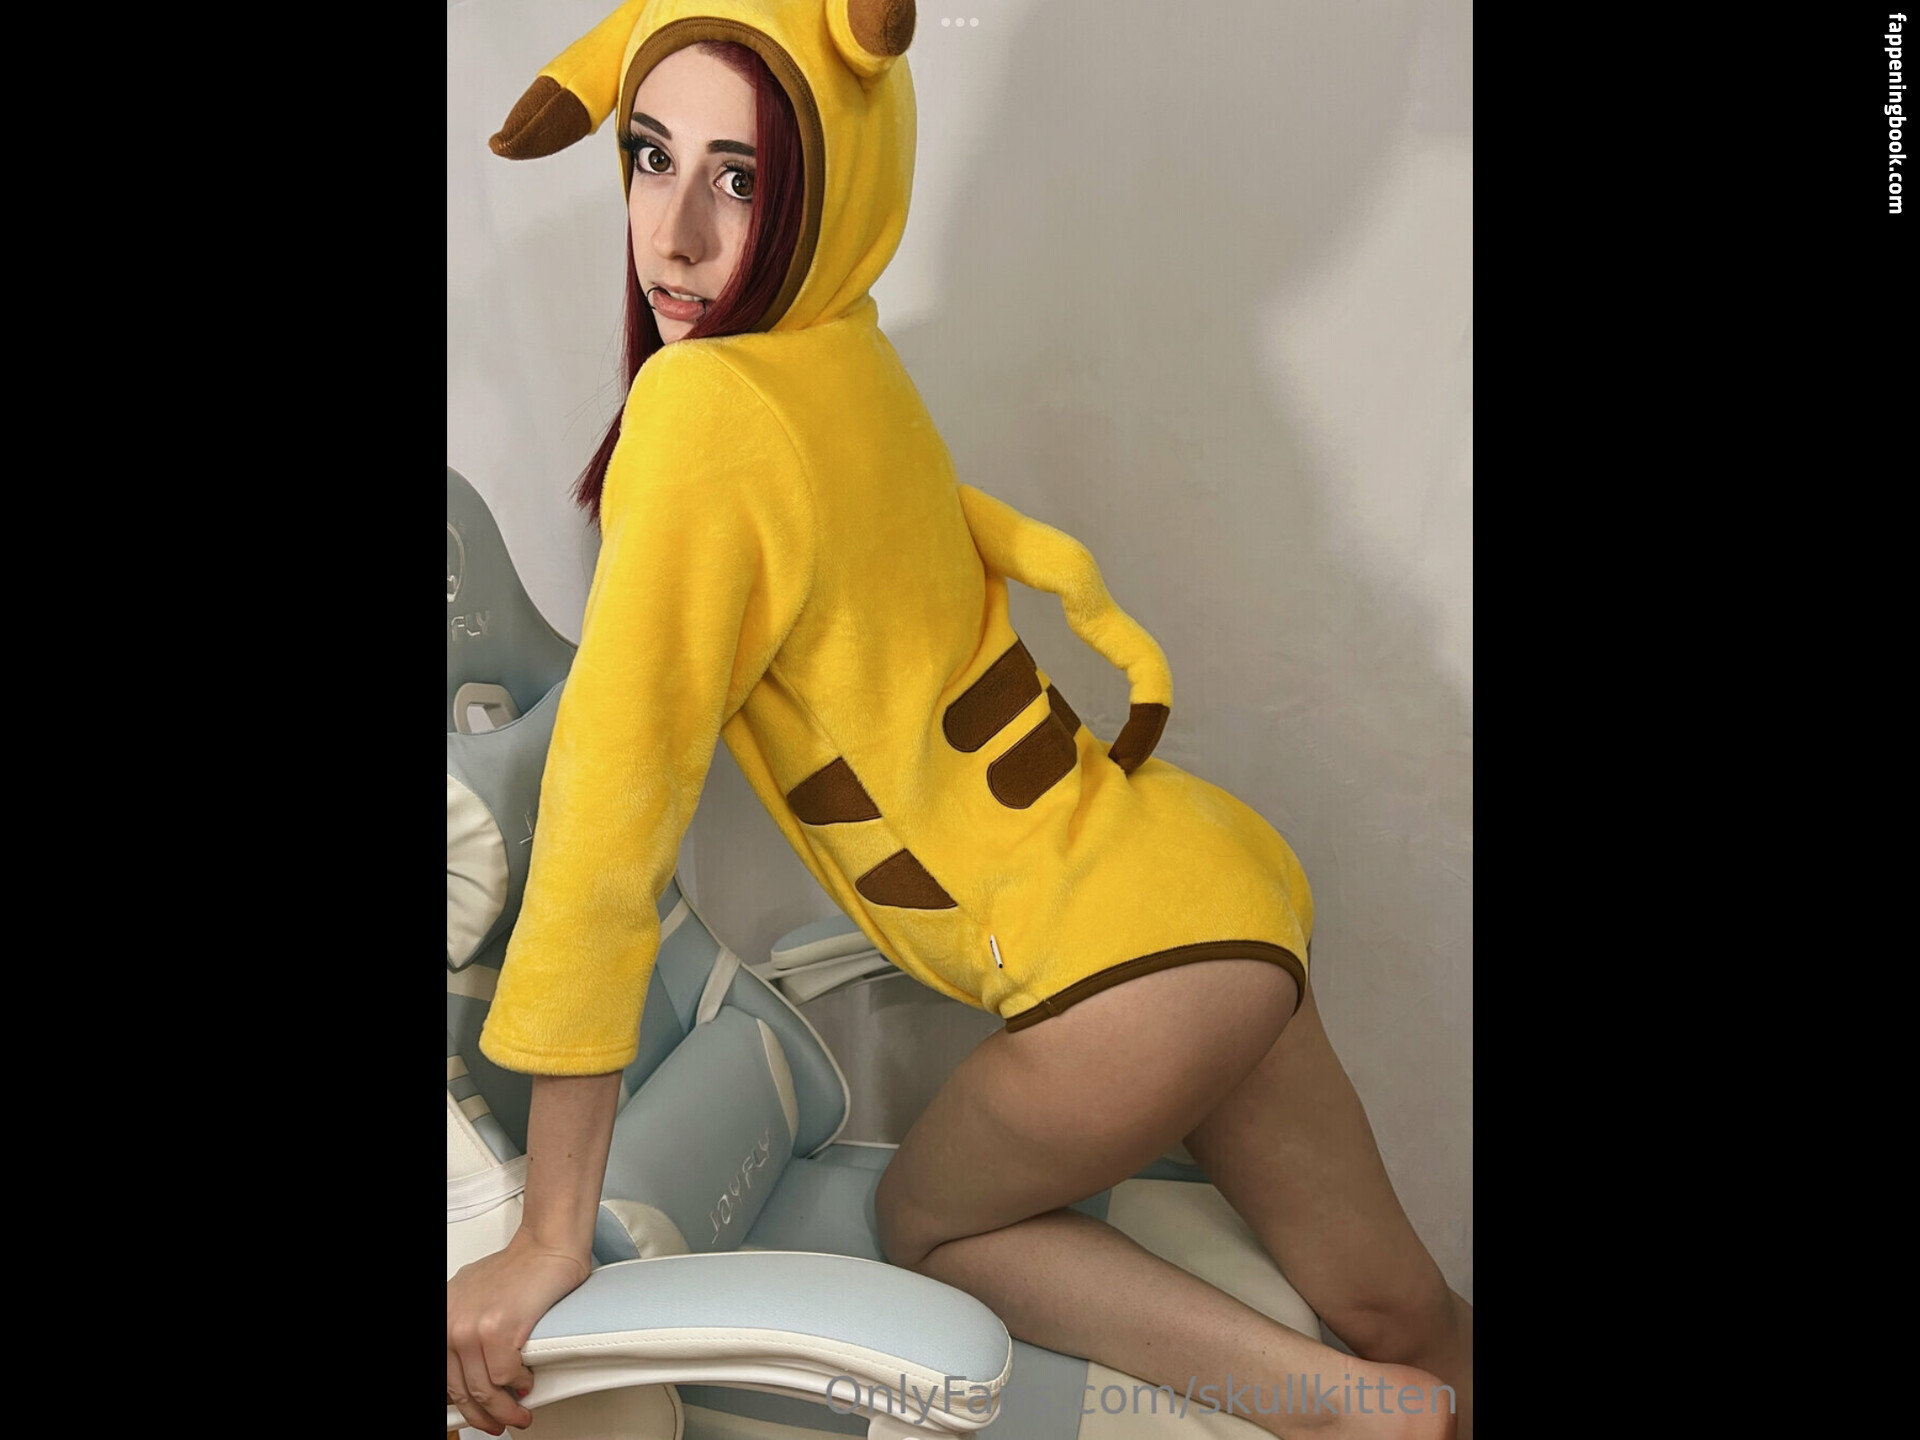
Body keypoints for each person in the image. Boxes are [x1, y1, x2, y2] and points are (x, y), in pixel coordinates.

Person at [447, 4, 1472, 1438]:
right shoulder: (845, 354)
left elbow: (605, 839)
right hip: (1215, 886)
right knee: (1408, 1311)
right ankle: (1400, 1388)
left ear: (831, 184)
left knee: (932, 1229)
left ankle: (1342, 1412)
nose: (671, 236)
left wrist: (551, 1233)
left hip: (1118, 976)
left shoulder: (700, 410)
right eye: (650, 157)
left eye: (740, 178)